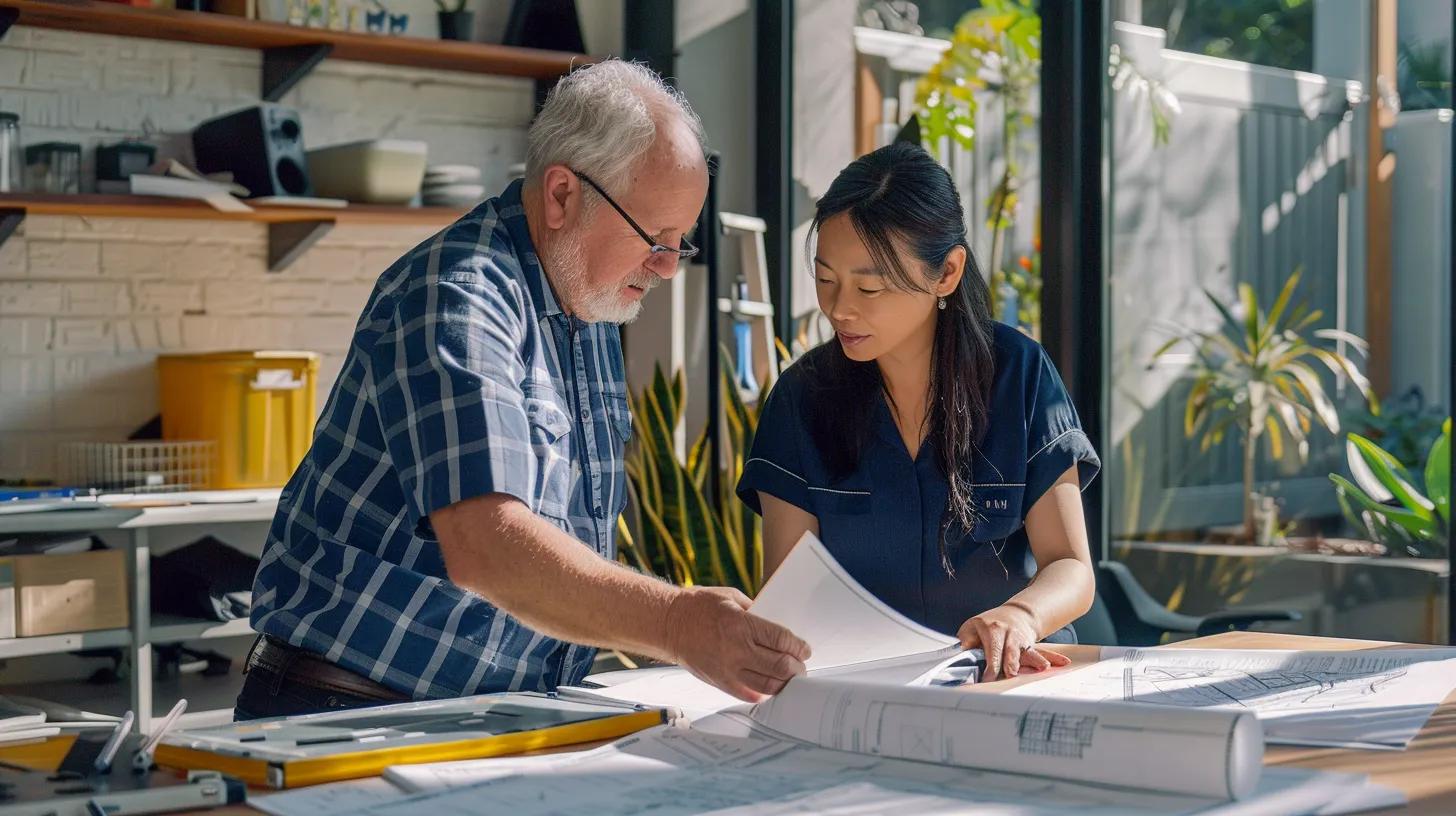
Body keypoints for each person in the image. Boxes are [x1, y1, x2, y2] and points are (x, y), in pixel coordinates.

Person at [236, 59, 810, 721]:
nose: (666, 269)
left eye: (679, 245)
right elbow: (489, 548)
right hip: (348, 714)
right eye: (655, 238)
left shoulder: (583, 300)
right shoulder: (458, 296)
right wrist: (680, 623)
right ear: (563, 194)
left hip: (483, 714)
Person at [737, 142, 1100, 681]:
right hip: (869, 693)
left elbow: (1072, 568)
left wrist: (1019, 618)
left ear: (947, 273)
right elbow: (790, 599)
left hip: (1013, 677)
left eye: (869, 287)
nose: (839, 308)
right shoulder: (800, 400)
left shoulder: (1019, 375)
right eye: (825, 278)